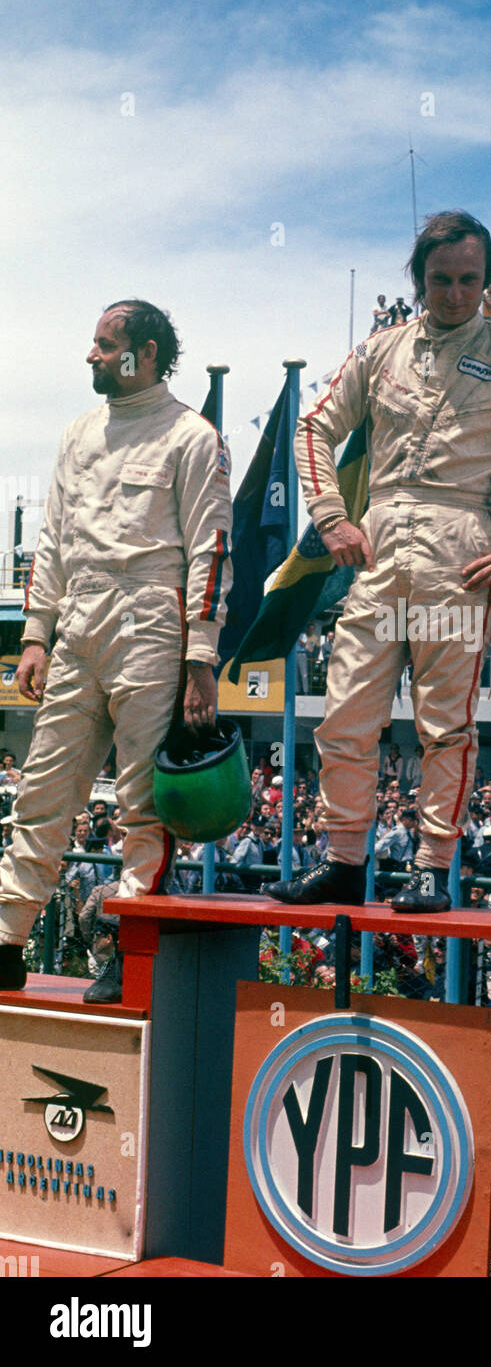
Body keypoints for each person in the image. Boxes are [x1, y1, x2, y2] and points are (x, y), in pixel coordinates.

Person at [269, 210, 491, 913]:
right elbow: (314, 425)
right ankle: (344, 858)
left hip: (459, 542)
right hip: (380, 537)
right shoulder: (380, 350)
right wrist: (331, 518)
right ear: (418, 279)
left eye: (468, 281)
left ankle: (430, 865)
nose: (453, 294)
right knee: (346, 712)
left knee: (445, 722)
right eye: (440, 279)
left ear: (489, 282)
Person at [0, 299, 232, 1001]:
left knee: (142, 802)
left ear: (148, 352)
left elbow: (212, 552)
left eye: (105, 346)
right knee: (42, 789)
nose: (92, 356)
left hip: (152, 622)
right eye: (95, 345)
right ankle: (8, 941)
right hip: (80, 625)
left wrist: (201, 658)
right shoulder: (78, 434)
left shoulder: (193, 436)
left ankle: (133, 955)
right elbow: (52, 541)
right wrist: (36, 634)